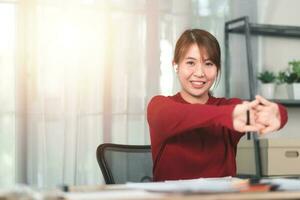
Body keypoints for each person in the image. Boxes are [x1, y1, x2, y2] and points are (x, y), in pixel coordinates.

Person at [147, 29, 288, 182]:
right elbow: (178, 115)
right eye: (190, 63)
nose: (200, 73)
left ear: (217, 68)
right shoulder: (160, 106)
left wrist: (278, 114)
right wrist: (229, 115)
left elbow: (274, 112)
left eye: (208, 64)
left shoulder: (228, 107)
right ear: (176, 65)